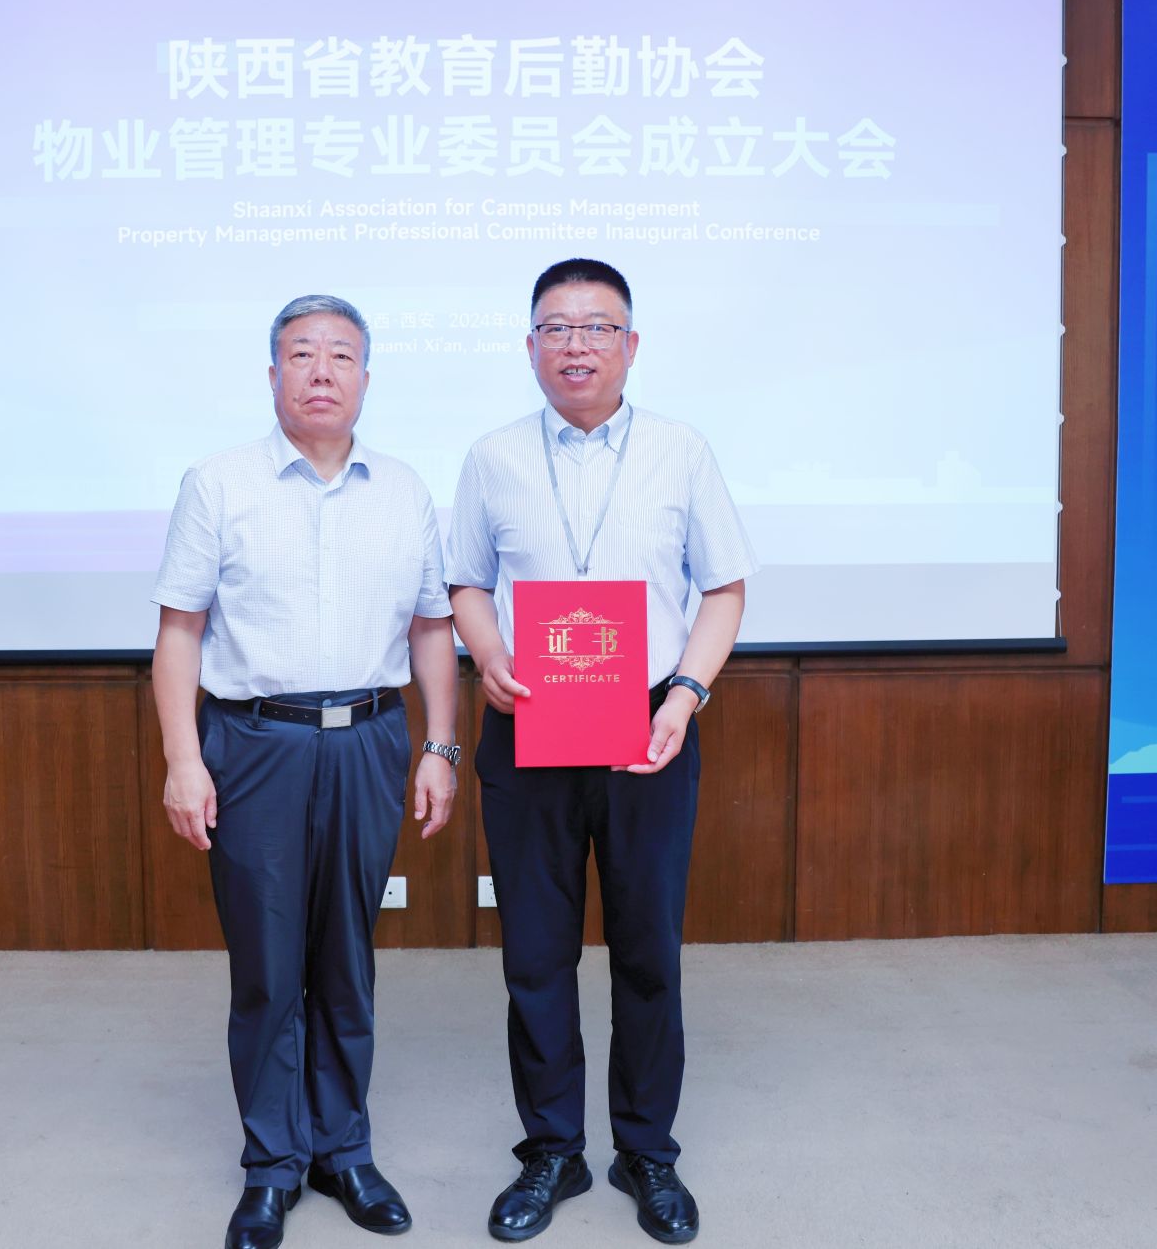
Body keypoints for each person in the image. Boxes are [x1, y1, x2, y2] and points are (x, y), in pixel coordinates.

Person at [446, 260, 757, 1245]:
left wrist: (688, 694)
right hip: (527, 723)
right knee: (535, 953)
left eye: (597, 326)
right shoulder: (492, 456)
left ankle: (645, 1150)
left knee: (646, 950)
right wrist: (488, 655)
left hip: (649, 727)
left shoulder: (681, 450)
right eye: (556, 327)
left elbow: (723, 589)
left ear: (631, 344)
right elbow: (465, 583)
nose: (575, 344)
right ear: (529, 345)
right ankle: (551, 1150)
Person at [151, 294, 462, 1249]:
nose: (320, 371)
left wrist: (441, 745)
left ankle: (344, 1150)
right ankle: (272, 1164)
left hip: (369, 739)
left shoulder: (404, 490)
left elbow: (432, 629)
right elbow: (180, 631)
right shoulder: (218, 484)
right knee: (267, 961)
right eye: (301, 354)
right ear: (273, 373)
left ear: (366, 376)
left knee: (346, 956)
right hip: (254, 744)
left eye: (340, 355)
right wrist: (183, 760)